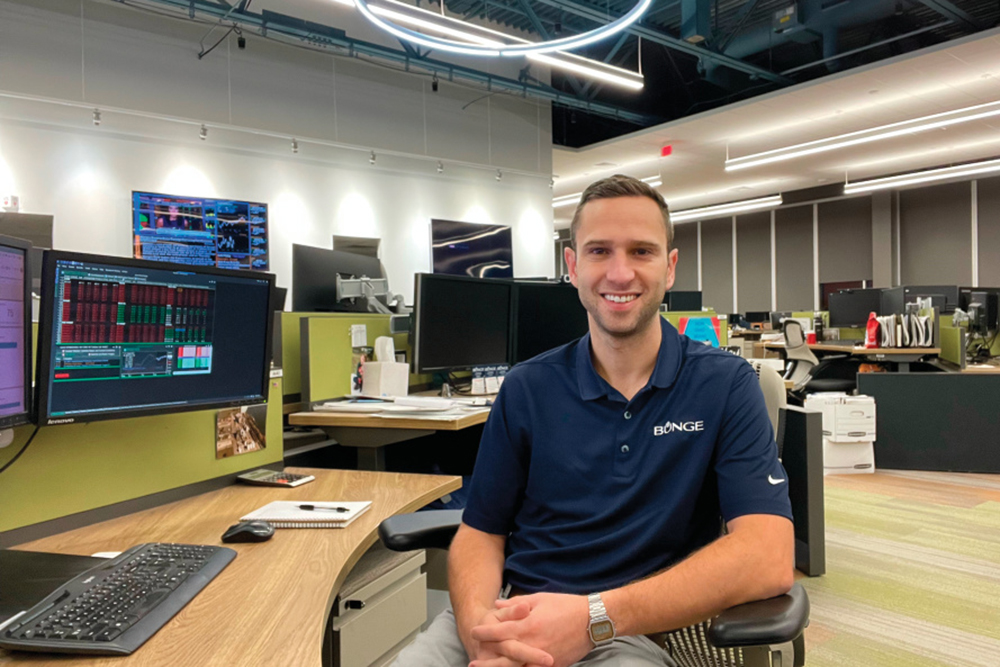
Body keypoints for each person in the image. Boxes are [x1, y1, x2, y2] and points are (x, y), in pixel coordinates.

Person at [394, 174, 794, 667]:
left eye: (641, 252)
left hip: (628, 632)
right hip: (510, 614)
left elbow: (768, 556)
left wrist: (592, 618)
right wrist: (483, 632)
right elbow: (480, 532)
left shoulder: (724, 385)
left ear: (670, 268)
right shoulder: (527, 387)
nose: (620, 274)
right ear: (573, 266)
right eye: (599, 251)